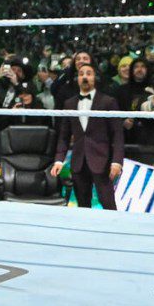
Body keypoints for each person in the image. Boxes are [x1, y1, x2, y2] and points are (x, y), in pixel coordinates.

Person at [52, 64, 124, 210]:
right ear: (77, 78)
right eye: (81, 74)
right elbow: (64, 135)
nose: (85, 76)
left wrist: (117, 161)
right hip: (78, 161)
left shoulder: (108, 101)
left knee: (108, 204)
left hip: (102, 160)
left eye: (89, 73)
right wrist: (59, 160)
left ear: (95, 78)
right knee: (83, 206)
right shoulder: (69, 103)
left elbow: (117, 134)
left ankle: (115, 231)